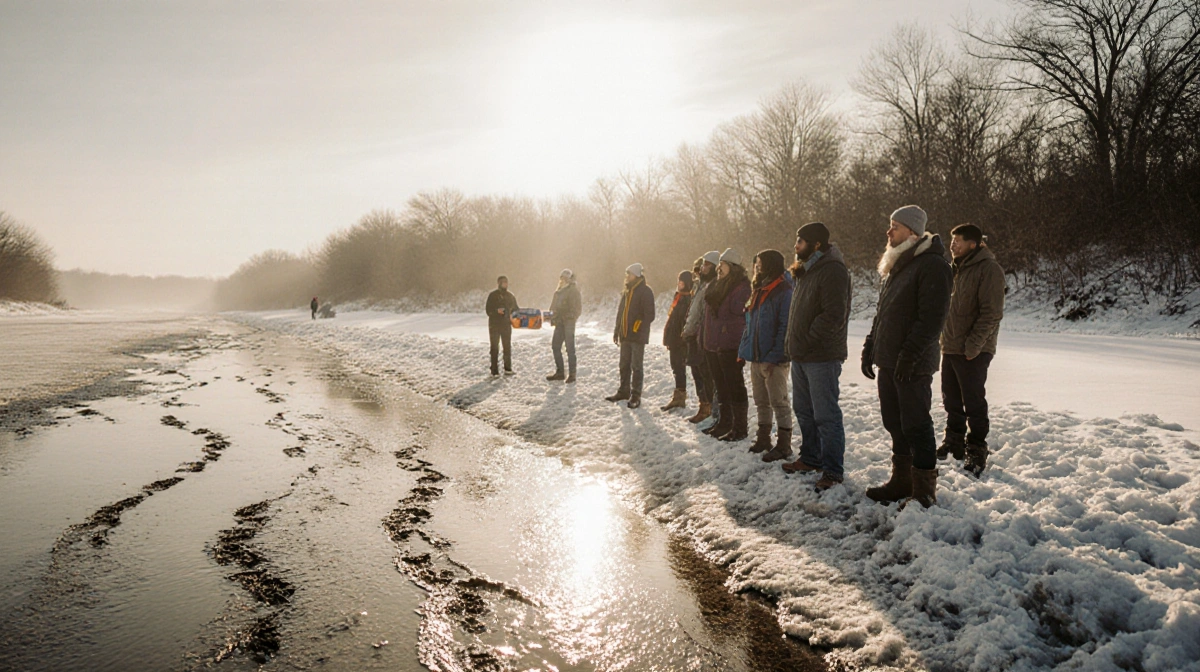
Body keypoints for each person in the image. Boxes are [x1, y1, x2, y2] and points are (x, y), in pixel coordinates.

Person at [862, 206, 953, 508]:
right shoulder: (898, 264)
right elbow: (883, 314)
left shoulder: (932, 266)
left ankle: (924, 490)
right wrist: (870, 346)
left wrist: (910, 354)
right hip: (889, 359)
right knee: (894, 421)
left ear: (912, 232)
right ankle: (901, 481)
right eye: (890, 226)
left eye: (895, 227)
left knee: (916, 423)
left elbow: (932, 319)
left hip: (912, 362)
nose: (889, 232)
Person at [779, 223, 852, 492]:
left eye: (800, 241)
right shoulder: (805, 271)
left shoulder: (832, 270)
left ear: (816, 244)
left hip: (821, 355)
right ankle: (811, 457)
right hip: (801, 355)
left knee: (826, 415)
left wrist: (808, 339)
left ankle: (832, 471)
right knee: (804, 411)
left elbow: (833, 315)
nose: (796, 246)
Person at [938, 224, 1005, 478]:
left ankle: (976, 448)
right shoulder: (956, 269)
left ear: (974, 244)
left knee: (973, 400)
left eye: (958, 241)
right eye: (952, 239)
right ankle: (954, 441)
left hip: (974, 349)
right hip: (952, 345)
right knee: (951, 398)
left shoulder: (989, 270)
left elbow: (992, 313)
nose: (953, 244)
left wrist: (974, 345)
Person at [738, 250, 794, 461]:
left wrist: (775, 356)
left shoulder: (783, 291)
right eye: (756, 262)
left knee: (779, 401)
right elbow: (750, 324)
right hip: (757, 356)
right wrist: (744, 350)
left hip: (774, 359)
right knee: (761, 400)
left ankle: (784, 444)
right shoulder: (759, 289)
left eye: (761, 262)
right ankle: (763, 438)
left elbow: (784, 327)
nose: (757, 266)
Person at [702, 248, 752, 441]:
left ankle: (739, 427)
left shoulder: (742, 287)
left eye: (722, 265)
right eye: (719, 265)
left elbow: (738, 312)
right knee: (721, 385)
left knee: (734, 385)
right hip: (715, 343)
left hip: (731, 343)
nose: (719, 268)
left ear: (732, 267)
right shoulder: (717, 284)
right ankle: (724, 422)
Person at [606, 263, 655, 408]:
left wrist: (638, 325)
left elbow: (650, 314)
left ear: (636, 275)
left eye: (629, 274)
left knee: (636, 366)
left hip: (637, 336)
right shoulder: (626, 291)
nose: (627, 276)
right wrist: (617, 330)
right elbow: (621, 313)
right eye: (626, 274)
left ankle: (635, 395)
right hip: (625, 335)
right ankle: (623, 391)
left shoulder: (646, 291)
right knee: (624, 365)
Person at [682, 251, 720, 424]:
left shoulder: (714, 286)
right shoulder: (700, 284)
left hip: (703, 336)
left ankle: (710, 408)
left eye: (707, 265)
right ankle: (703, 405)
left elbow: (705, 313)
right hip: (693, 335)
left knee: (706, 374)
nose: (703, 268)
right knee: (697, 372)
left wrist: (697, 331)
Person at [661, 270, 695, 411]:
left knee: (680, 369)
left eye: (682, 282)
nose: (679, 284)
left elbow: (684, 322)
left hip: (681, 342)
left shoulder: (689, 300)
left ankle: (681, 397)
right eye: (678, 282)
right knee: (676, 368)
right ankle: (678, 396)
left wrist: (681, 340)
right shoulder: (679, 297)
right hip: (674, 340)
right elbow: (672, 319)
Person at [546, 269, 582, 383]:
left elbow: (577, 308)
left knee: (570, 348)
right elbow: (553, 307)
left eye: (565, 278)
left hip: (568, 322)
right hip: (559, 322)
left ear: (569, 279)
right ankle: (560, 372)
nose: (563, 280)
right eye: (561, 278)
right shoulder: (558, 292)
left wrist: (570, 317)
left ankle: (572, 374)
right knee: (555, 346)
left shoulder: (573, 291)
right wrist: (550, 315)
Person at [485, 276, 519, 377]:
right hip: (494, 325)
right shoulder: (492, 295)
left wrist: (518, 315)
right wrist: (496, 311)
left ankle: (508, 368)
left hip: (506, 325)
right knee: (494, 348)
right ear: (499, 283)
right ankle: (494, 370)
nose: (505, 284)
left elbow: (516, 309)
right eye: (503, 282)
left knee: (507, 347)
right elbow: (488, 310)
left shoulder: (510, 296)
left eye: (506, 282)